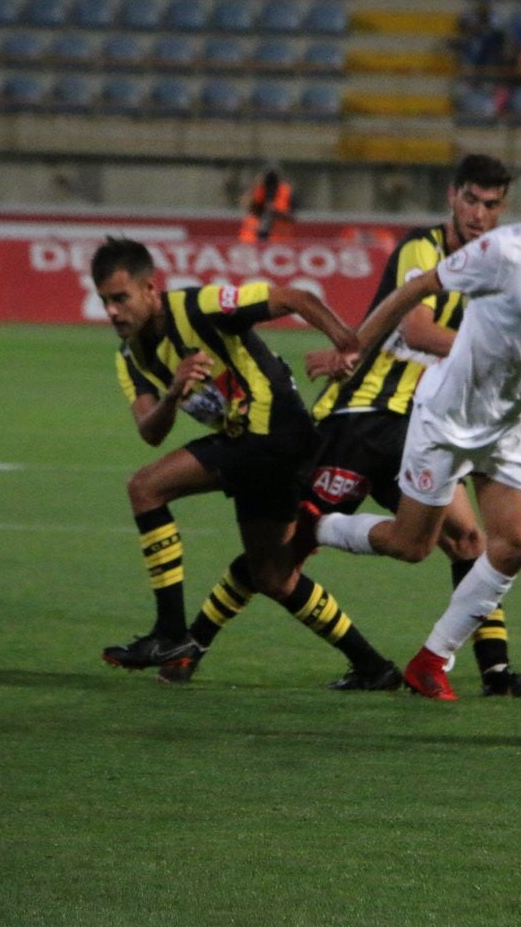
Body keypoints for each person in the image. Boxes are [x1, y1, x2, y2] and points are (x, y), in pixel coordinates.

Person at [298, 140, 521, 701]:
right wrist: (352, 345)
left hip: (512, 419)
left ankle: (431, 660)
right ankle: (313, 527)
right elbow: (417, 289)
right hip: (447, 413)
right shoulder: (507, 249)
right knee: (412, 545)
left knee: (512, 545)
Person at [204, 155, 521, 697]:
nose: (480, 214)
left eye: (492, 205)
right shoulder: (422, 249)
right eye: (472, 200)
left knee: (467, 540)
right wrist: (500, 364)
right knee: (283, 547)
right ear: (452, 196)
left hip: (425, 424)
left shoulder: (497, 265)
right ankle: (192, 639)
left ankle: (496, 671)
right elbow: (417, 327)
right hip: (362, 414)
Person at [93, 237, 394, 687]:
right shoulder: (130, 358)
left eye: (121, 298)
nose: (114, 311)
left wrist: (347, 346)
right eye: (105, 301)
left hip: (279, 431)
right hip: (253, 447)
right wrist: (174, 391)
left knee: (145, 488)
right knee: (271, 575)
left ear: (150, 290)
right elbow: (150, 431)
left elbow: (295, 297)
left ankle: (172, 634)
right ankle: (374, 667)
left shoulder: (201, 306)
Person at [237, 167, 294, 244]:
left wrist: (276, 212)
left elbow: (291, 216)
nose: (270, 187)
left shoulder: (286, 193)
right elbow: (250, 208)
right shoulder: (258, 190)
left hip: (277, 237)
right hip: (254, 238)